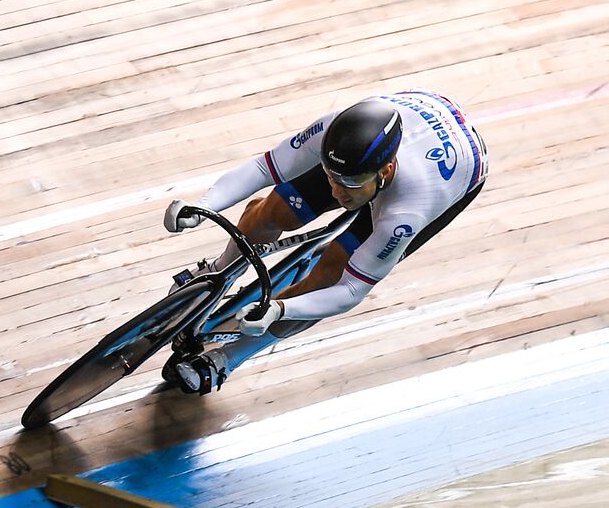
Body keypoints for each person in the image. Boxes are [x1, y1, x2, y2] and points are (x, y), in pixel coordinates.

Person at [163, 90, 488, 394]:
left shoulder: (407, 212)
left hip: (454, 170)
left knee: (331, 273)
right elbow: (264, 167)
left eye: (348, 183)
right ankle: (216, 272)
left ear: (386, 170)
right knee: (273, 213)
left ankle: (227, 358)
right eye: (331, 177)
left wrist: (280, 309)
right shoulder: (333, 133)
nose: (336, 191)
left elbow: (350, 291)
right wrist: (203, 207)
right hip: (415, 114)